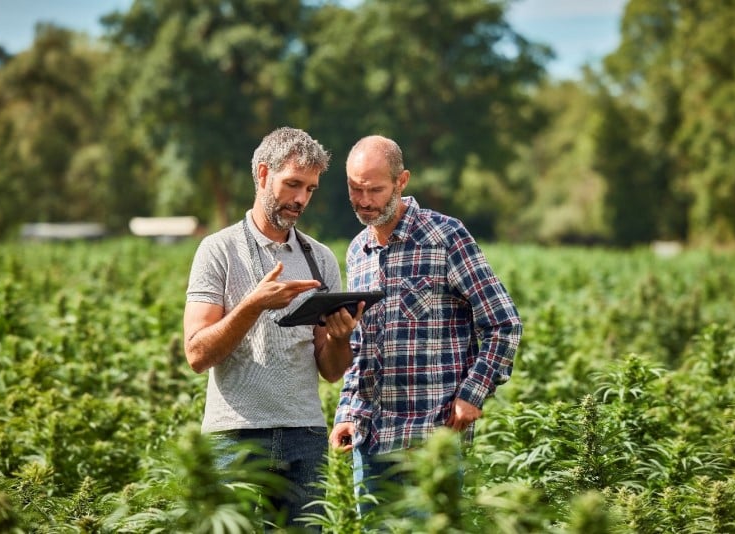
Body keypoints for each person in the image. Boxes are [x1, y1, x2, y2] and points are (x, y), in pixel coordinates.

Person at [329, 135, 522, 515]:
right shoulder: (358, 251)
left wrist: (472, 394)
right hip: (370, 441)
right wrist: (348, 413)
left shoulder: (444, 236)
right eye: (355, 189)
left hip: (432, 438)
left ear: (401, 182)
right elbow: (361, 348)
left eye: (375, 190)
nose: (364, 201)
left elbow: (504, 323)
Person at [183, 126, 362, 530]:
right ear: (263, 175)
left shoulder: (320, 259)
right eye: (293, 184)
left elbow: (332, 370)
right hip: (235, 436)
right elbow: (196, 354)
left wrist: (340, 335)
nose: (300, 199)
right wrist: (253, 305)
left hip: (305, 434)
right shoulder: (218, 249)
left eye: (310, 189)